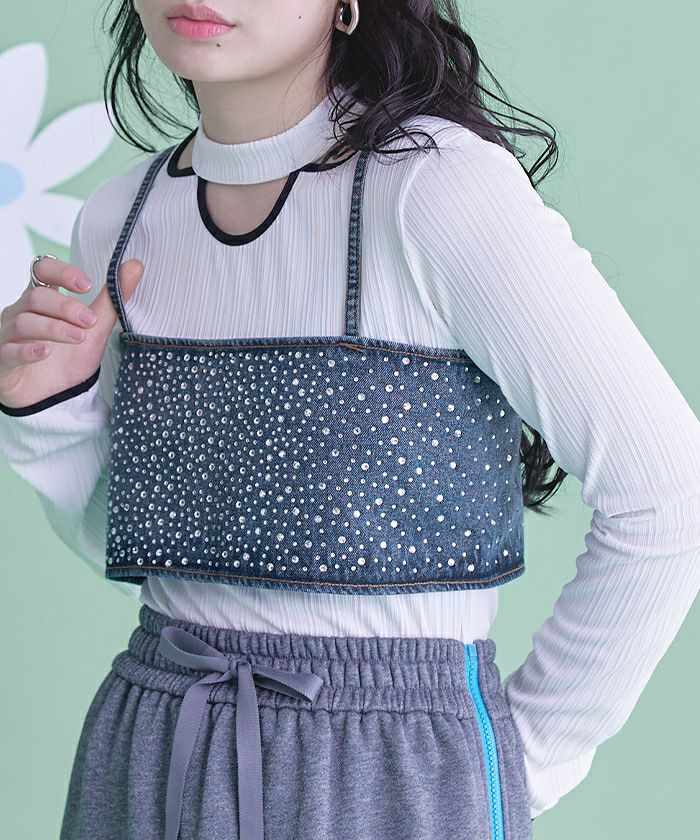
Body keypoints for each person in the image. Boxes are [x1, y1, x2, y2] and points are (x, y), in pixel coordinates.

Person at [0, 2, 698, 838]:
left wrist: (516, 764)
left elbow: (669, 492)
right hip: (153, 740)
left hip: (387, 767)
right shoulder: (120, 218)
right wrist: (45, 408)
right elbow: (137, 546)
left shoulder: (434, 189)